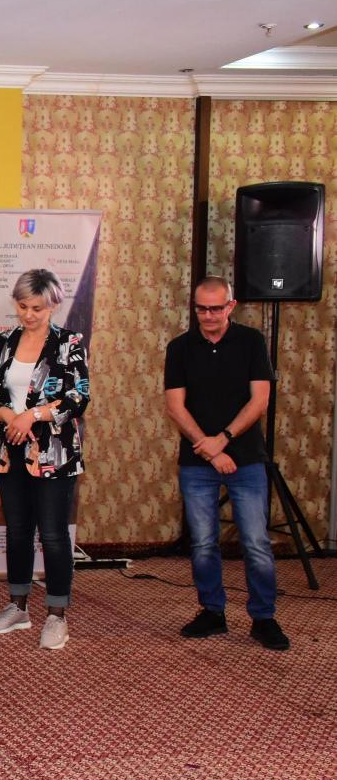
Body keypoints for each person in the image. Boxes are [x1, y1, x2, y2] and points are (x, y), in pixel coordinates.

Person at [164, 275, 288, 651]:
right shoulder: (180, 347)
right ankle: (212, 612)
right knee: (203, 542)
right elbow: (175, 406)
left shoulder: (252, 341)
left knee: (256, 542)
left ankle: (263, 618)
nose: (208, 316)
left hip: (246, 458)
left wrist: (224, 439)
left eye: (216, 308)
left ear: (230, 306)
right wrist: (210, 449)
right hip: (198, 460)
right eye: (201, 309)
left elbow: (260, 400)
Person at [0, 269, 90, 650]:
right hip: (9, 451)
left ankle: (57, 615)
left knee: (54, 534)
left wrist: (33, 416)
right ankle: (18, 606)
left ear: (53, 305)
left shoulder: (68, 343)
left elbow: (78, 398)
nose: (28, 314)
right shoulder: (4, 341)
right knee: (17, 530)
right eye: (23, 306)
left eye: (37, 308)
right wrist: (10, 417)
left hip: (54, 452)